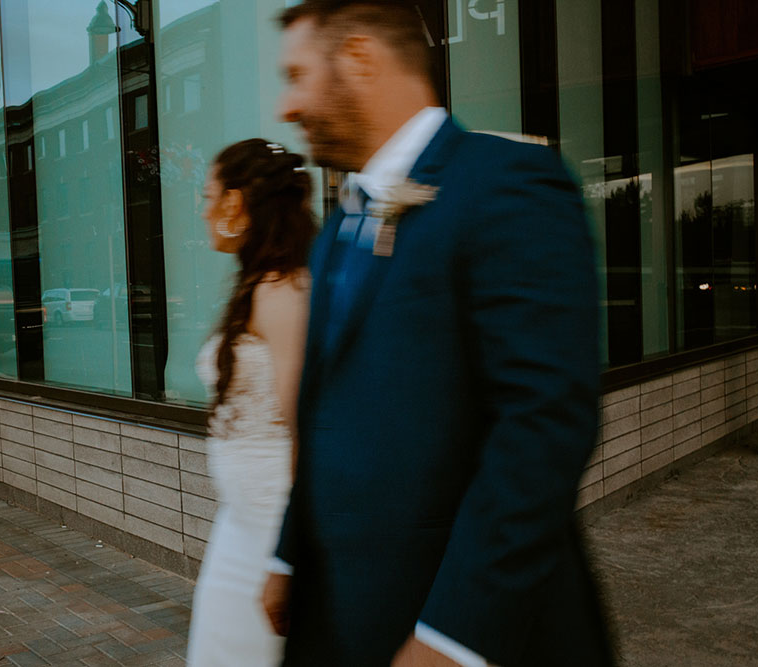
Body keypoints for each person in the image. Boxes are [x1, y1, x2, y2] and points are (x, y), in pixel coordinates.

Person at [261, 1, 614, 665]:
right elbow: (323, 408)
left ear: (361, 58)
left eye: (298, 74)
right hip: (334, 618)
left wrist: (454, 634)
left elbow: (542, 424)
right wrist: (288, 552)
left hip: (458, 625)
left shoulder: (508, 184)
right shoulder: (340, 224)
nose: (287, 105)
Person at [187, 138, 316, 666]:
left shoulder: (282, 290)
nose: (203, 209)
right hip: (239, 521)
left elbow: (305, 425)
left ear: (234, 204)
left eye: (207, 194)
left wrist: (286, 561)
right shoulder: (257, 283)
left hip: (271, 525)